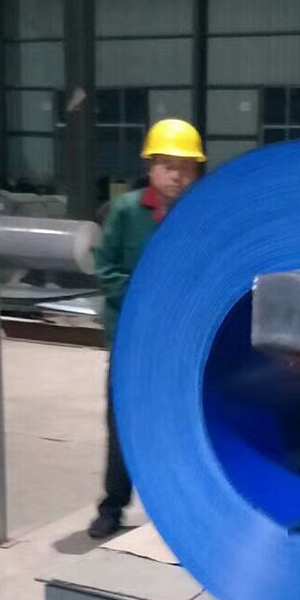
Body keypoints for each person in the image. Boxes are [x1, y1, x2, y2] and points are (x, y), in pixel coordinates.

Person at [88, 118, 206, 539]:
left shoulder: (199, 215)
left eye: (186, 168)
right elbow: (106, 268)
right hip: (131, 343)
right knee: (123, 427)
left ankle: (175, 510)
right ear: (150, 166)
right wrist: (144, 304)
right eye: (168, 166)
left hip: (179, 344)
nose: (177, 175)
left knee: (179, 426)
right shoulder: (125, 212)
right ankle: (113, 506)